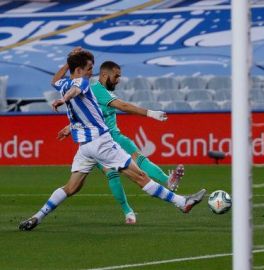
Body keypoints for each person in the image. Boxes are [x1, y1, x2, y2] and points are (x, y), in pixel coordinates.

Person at [19, 50, 206, 231]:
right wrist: (63, 99)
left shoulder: (65, 83)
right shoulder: (82, 82)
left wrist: (70, 63)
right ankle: (182, 202)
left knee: (71, 187)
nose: (92, 72)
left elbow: (54, 81)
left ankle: (38, 216)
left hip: (85, 147)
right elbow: (76, 90)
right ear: (79, 70)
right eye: (89, 68)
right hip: (101, 142)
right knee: (140, 176)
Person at [55, 56, 183, 224]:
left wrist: (70, 126)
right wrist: (152, 114)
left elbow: (88, 115)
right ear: (105, 75)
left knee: (130, 164)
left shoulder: (97, 91)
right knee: (120, 171)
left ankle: (156, 190)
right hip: (104, 140)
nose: (119, 80)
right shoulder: (97, 89)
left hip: (109, 138)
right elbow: (123, 106)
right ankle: (131, 208)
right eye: (116, 76)